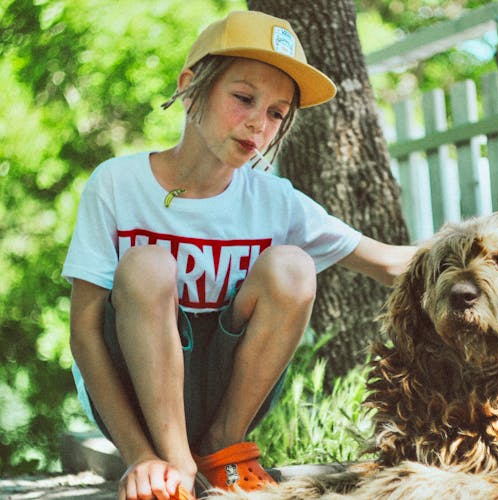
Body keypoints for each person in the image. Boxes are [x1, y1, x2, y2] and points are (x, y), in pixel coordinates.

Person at [63, 11, 416, 500]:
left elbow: (391, 262)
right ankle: (173, 464)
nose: (259, 122)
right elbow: (83, 332)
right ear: (191, 88)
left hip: (223, 397)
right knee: (147, 265)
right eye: (244, 98)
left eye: (277, 112)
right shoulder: (117, 185)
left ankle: (223, 449)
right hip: (134, 400)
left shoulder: (274, 200)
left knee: (292, 268)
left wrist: (497, 251)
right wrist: (138, 455)